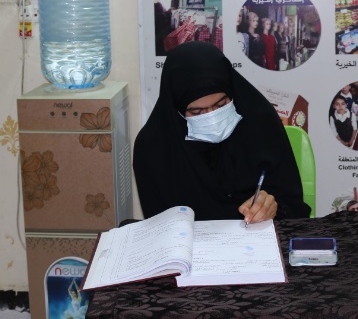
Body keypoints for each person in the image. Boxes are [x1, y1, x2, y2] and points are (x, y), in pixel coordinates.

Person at [133, 42, 311, 223]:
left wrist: (274, 208)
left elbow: (294, 207)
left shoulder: (261, 124)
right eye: (197, 112)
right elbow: (158, 225)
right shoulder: (152, 149)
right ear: (176, 110)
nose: (212, 117)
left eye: (220, 105)